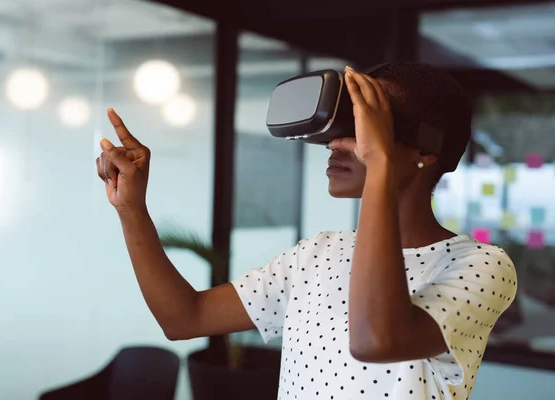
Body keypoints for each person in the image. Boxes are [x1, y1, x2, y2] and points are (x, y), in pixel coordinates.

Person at [95, 60, 517, 400]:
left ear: (425, 149)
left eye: (361, 124)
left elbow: (377, 340)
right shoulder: (318, 252)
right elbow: (183, 318)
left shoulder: (480, 265)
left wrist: (380, 164)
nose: (333, 143)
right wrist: (131, 208)